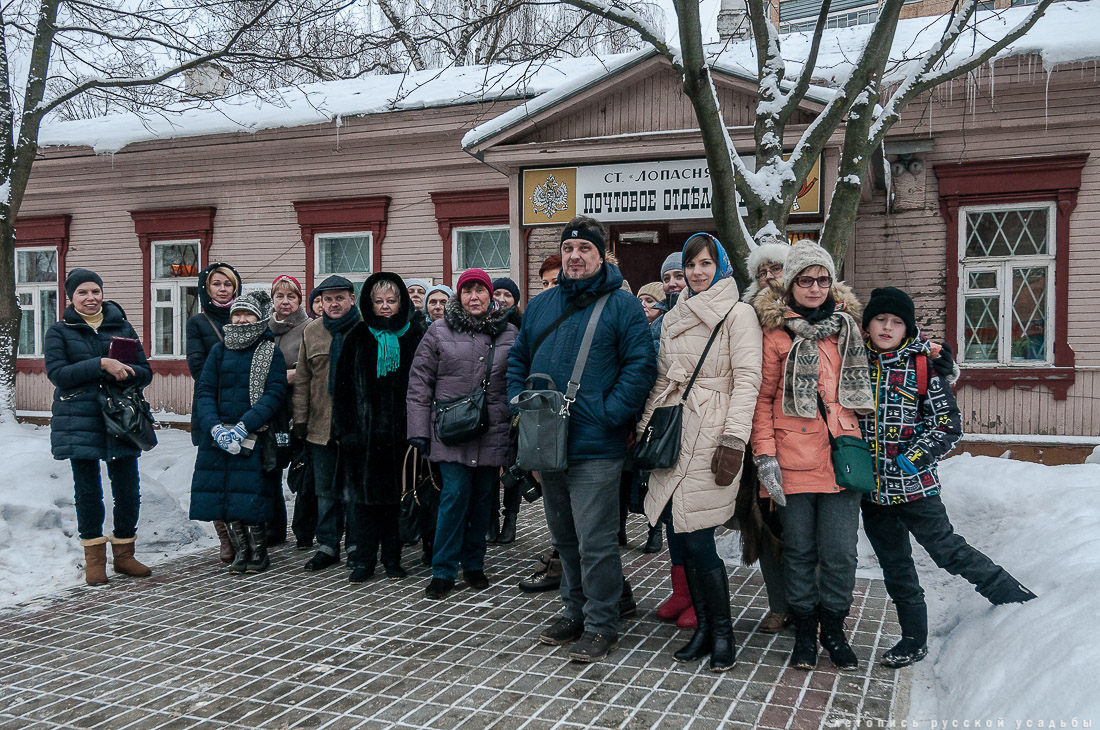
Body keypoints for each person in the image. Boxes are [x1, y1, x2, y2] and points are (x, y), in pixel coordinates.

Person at [858, 287, 1036, 669]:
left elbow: (947, 425)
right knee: (896, 567)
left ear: (907, 328)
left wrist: (911, 460)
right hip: (872, 494)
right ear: (868, 324)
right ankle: (912, 639)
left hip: (916, 489)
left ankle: (1015, 600)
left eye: (896, 322)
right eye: (880, 320)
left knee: (947, 551)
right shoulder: (856, 367)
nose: (887, 327)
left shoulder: (923, 367)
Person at [507, 215, 657, 663]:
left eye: (585, 249)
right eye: (569, 248)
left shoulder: (622, 305)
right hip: (547, 442)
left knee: (595, 542)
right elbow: (518, 358)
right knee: (564, 538)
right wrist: (520, 401)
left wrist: (608, 413)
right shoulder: (540, 305)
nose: (575, 256)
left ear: (601, 254)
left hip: (596, 444)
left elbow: (640, 368)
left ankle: (601, 623)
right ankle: (574, 610)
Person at [638, 234, 763, 671]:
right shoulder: (675, 316)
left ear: (722, 266)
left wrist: (733, 440)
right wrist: (644, 430)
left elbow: (748, 381)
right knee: (682, 537)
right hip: (675, 430)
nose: (697, 272)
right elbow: (661, 379)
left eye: (706, 263)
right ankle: (705, 628)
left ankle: (723, 633)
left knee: (700, 538)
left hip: (712, 435)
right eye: (691, 265)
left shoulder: (738, 313)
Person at [751, 241, 874, 671]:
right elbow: (763, 400)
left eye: (822, 279)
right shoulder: (775, 334)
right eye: (806, 279)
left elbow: (894, 352)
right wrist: (765, 457)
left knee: (840, 553)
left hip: (844, 459)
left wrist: (934, 357)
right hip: (792, 460)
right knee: (800, 551)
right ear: (791, 284)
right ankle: (804, 632)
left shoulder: (849, 329)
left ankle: (834, 630)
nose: (815, 287)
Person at [407, 269, 518, 598]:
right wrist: (418, 429)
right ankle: (443, 568)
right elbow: (419, 383)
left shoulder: (509, 333)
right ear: (459, 296)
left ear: (490, 295)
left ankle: (474, 564)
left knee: (483, 500)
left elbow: (517, 378)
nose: (474, 297)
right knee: (454, 498)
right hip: (450, 430)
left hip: (492, 430)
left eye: (480, 291)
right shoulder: (439, 331)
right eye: (467, 291)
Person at [45, 268, 155, 586]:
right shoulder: (59, 332)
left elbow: (145, 371)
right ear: (71, 297)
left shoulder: (122, 326)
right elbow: (58, 374)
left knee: (127, 490)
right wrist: (101, 364)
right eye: (83, 292)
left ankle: (124, 554)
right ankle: (94, 558)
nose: (91, 298)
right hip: (79, 420)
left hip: (122, 419)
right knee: (88, 492)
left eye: (95, 291)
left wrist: (127, 371)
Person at [332, 273, 426, 583]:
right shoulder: (358, 336)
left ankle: (392, 558)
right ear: (369, 303)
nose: (385, 307)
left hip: (402, 436)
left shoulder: (414, 334)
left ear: (401, 302)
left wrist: (418, 431)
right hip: (364, 437)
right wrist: (346, 431)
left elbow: (424, 385)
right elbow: (342, 388)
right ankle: (363, 560)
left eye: (391, 300)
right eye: (379, 301)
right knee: (362, 505)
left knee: (395, 502)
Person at [189, 290, 288, 574]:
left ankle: (259, 553)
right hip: (218, 437)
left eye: (248, 315)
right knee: (224, 496)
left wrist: (245, 425)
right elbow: (205, 390)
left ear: (258, 318)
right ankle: (241, 552)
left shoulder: (270, 351)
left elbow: (274, 392)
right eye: (237, 314)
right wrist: (215, 427)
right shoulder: (219, 350)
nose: (242, 320)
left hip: (253, 434)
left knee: (251, 495)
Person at [733, 242, 793, 635]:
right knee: (767, 525)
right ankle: (779, 604)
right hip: (756, 436)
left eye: (776, 269)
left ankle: (817, 606)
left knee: (808, 533)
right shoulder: (745, 319)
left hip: (808, 441)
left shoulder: (816, 312)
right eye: (761, 273)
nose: (769, 278)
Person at [293, 276, 362, 572]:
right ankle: (327, 545)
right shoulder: (312, 331)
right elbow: (303, 379)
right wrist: (300, 419)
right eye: (327, 299)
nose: (333, 304)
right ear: (320, 303)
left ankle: (358, 544)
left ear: (352, 300)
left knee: (355, 489)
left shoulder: (365, 330)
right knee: (325, 490)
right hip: (321, 426)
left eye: (339, 298)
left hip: (357, 426)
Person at [185, 262, 242, 563]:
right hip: (211, 407)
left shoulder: (245, 317)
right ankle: (225, 539)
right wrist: (237, 374)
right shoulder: (198, 322)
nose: (222, 289)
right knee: (211, 476)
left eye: (228, 284)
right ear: (207, 288)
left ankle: (241, 535)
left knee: (240, 477)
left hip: (242, 408)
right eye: (217, 284)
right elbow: (197, 367)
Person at [270, 275, 313, 550]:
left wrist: (295, 373)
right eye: (280, 296)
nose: (285, 302)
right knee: (271, 468)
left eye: (291, 297)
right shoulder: (266, 328)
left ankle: (304, 531)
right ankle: (273, 529)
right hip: (271, 410)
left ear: (299, 300)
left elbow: (314, 364)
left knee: (302, 471)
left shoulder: (309, 328)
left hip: (299, 407)